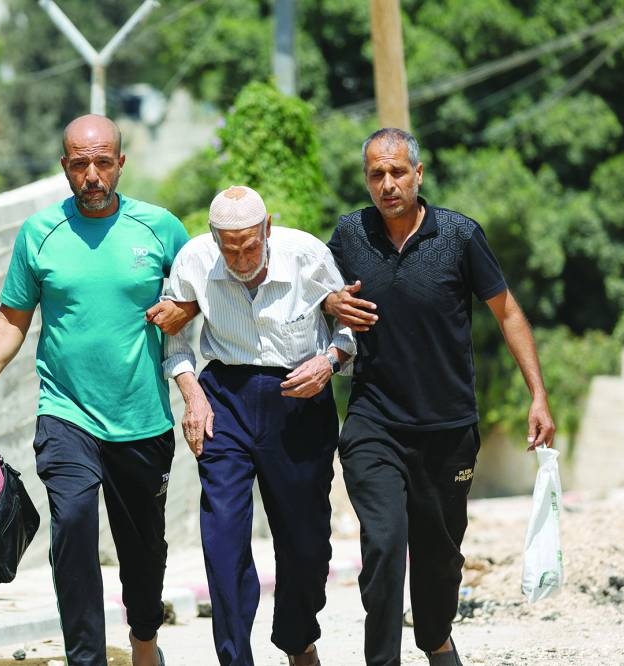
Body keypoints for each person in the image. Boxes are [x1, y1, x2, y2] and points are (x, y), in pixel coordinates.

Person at [0, 114, 195, 666]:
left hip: (141, 419)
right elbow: (13, 318)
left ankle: (144, 642)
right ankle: (86, 659)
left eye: (103, 162)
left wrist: (187, 309)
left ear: (120, 164)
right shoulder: (40, 233)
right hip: (66, 415)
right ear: (65, 166)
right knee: (74, 528)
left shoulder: (160, 228)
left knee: (143, 553)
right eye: (80, 164)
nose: (92, 175)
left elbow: (200, 293)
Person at [322, 127, 556, 666]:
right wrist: (331, 301)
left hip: (448, 430)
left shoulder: (459, 236)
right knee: (384, 546)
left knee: (439, 560)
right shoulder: (350, 234)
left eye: (397, 172)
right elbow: (315, 291)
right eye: (376, 174)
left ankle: (436, 641)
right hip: (374, 422)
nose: (387, 184)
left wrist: (538, 396)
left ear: (418, 174)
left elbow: (507, 313)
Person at [157, 185, 356, 666]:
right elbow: (175, 342)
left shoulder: (307, 255)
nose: (241, 259)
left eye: (250, 245)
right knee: (222, 539)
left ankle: (297, 639)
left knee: (307, 544)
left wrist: (329, 360)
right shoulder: (194, 261)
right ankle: (235, 658)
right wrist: (193, 395)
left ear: (267, 229)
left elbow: (349, 325)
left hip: (300, 396)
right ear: (214, 238)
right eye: (230, 249)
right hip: (225, 398)